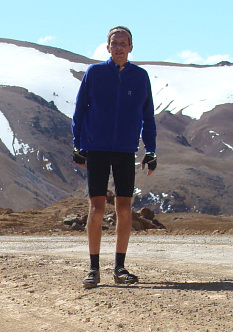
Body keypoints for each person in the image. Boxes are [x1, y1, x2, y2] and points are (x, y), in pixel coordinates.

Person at [71, 26, 157, 289]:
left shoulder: (140, 77)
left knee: (123, 209)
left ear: (131, 47)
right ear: (107, 47)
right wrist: (78, 145)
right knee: (96, 209)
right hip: (96, 148)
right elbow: (79, 111)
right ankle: (93, 268)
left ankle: (120, 268)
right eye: (114, 43)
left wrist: (150, 150)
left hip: (124, 150)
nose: (119, 47)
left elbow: (148, 116)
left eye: (124, 43)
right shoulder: (94, 74)